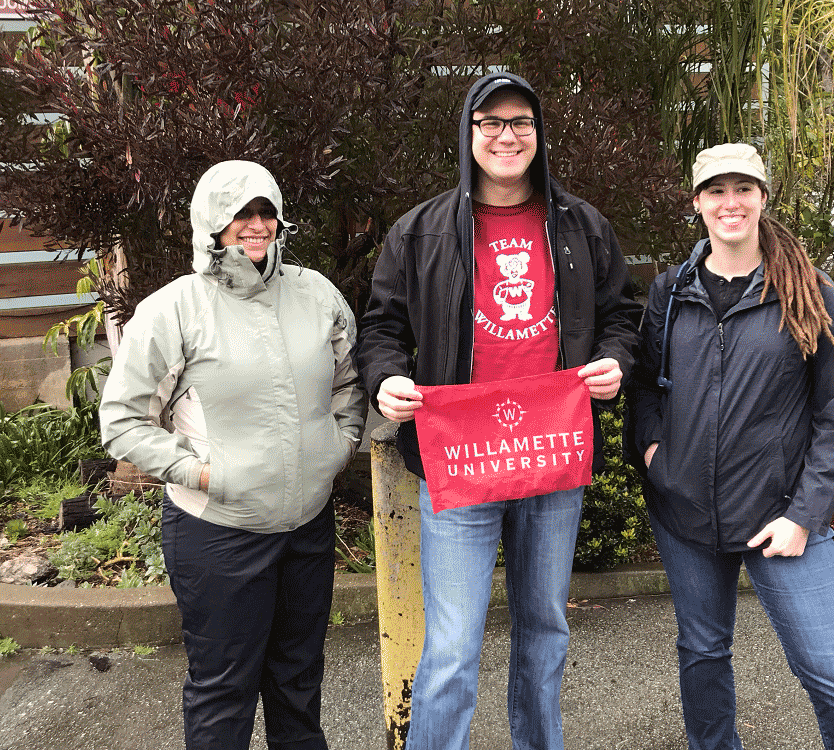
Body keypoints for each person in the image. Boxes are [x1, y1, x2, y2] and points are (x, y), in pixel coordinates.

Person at [353, 73, 641, 750]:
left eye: (520, 123)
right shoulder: (420, 230)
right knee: (452, 645)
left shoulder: (579, 225)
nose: (506, 135)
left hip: (550, 459)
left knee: (544, 629)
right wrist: (385, 378)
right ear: (468, 133)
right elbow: (381, 328)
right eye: (490, 122)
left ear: (538, 137)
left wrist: (615, 362)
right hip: (459, 463)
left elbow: (620, 316)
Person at [99, 160, 366, 750]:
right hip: (219, 532)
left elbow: (350, 382)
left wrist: (339, 446)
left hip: (306, 527)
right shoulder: (174, 309)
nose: (257, 224)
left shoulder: (315, 293)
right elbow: (121, 420)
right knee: (225, 691)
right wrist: (200, 473)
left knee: (298, 683)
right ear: (210, 224)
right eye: (240, 213)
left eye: (266, 211)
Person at [625, 143, 834, 750]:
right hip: (685, 514)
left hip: (782, 519)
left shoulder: (809, 292)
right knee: (703, 653)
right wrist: (654, 454)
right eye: (716, 191)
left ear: (764, 198)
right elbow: (645, 385)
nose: (730, 203)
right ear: (697, 203)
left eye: (743, 189)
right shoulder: (670, 292)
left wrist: (803, 516)